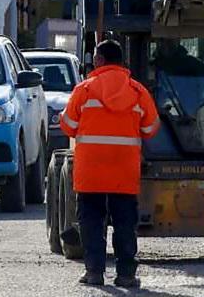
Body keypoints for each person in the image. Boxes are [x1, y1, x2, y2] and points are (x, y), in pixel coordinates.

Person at [60, 39, 160, 288]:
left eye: (95, 57)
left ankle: (94, 272)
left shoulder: (84, 90)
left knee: (92, 220)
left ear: (100, 60)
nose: (93, 61)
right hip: (124, 169)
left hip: (91, 170)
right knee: (125, 222)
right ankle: (126, 274)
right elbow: (150, 128)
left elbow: (68, 126)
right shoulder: (137, 91)